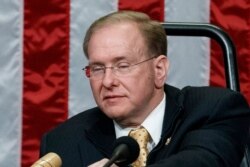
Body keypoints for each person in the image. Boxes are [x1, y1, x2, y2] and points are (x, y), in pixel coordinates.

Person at [39, 11, 250, 167]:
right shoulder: (62, 142)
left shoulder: (212, 109)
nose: (108, 81)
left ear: (159, 69)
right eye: (98, 68)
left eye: (122, 66)